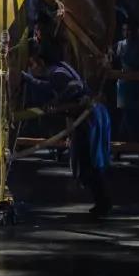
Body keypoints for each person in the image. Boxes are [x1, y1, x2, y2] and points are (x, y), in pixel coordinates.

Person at [21, 39, 113, 217]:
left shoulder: (56, 72)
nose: (33, 67)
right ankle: (102, 201)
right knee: (87, 162)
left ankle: (103, 202)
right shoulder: (60, 68)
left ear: (41, 62)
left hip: (89, 118)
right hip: (89, 117)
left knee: (89, 162)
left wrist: (55, 99)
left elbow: (73, 87)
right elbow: (53, 87)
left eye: (33, 64)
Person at [114, 19, 139, 142]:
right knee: (125, 113)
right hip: (123, 84)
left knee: (134, 113)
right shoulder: (120, 45)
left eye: (129, 30)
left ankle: (133, 140)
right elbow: (113, 58)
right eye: (124, 30)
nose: (126, 33)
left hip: (136, 84)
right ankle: (125, 140)